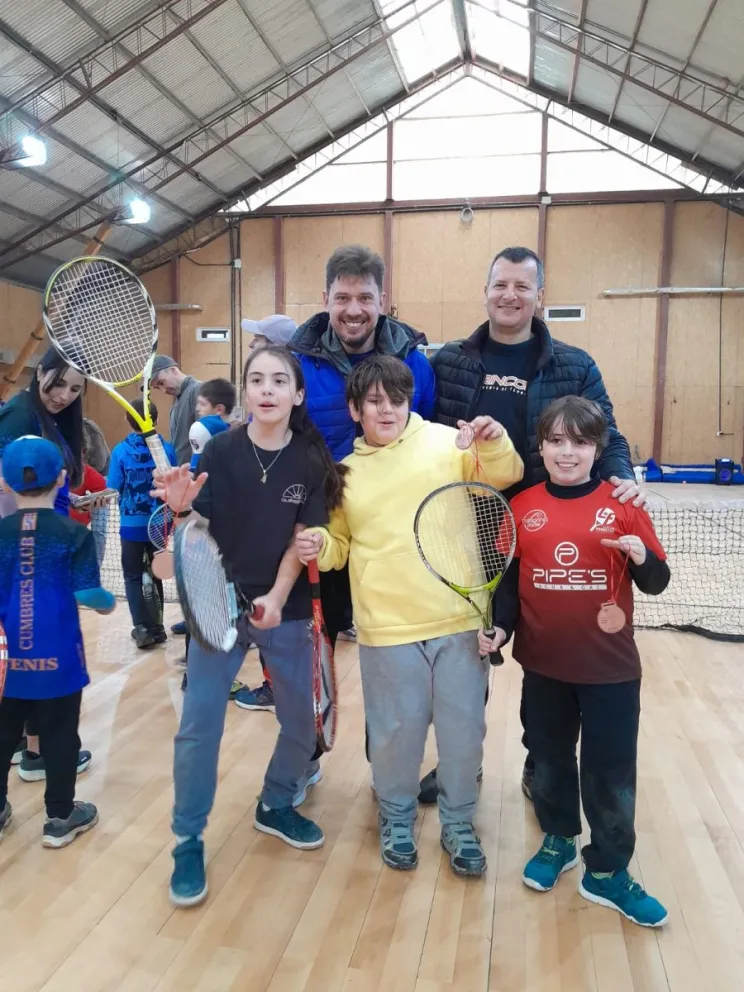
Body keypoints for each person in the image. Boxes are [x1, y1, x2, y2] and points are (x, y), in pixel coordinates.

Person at [426, 245, 646, 804]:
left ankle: (540, 760)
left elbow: (608, 434)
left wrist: (622, 479)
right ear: (486, 291)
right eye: (501, 285)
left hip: (543, 527)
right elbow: (422, 438)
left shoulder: (574, 366)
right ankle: (461, 762)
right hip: (465, 527)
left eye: (523, 287)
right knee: (467, 648)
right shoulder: (448, 361)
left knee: (544, 651)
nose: (510, 295)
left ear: (539, 296)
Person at [295, 356, 523, 876]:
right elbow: (340, 547)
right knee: (395, 734)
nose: (387, 409)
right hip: (387, 628)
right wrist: (318, 544)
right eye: (374, 400)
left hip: (460, 621)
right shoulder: (344, 476)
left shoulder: (449, 442)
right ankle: (396, 818)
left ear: (408, 402)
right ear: (354, 409)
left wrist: (492, 439)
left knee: (464, 735)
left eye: (396, 399)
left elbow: (505, 473)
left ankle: (459, 824)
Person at [152, 345, 346, 908]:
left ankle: (276, 802)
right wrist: (183, 510)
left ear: (297, 394)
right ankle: (187, 839)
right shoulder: (222, 449)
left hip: (280, 608)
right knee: (198, 726)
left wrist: (275, 597)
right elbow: (195, 531)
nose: (266, 389)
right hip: (217, 607)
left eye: (278, 380)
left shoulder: (311, 459)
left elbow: (300, 542)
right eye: (256, 379)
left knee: (300, 724)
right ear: (246, 391)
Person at [479, 396, 669, 927]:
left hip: (610, 670)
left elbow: (656, 582)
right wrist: (500, 628)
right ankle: (558, 839)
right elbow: (511, 581)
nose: (568, 452)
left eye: (581, 442)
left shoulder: (623, 502)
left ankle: (607, 871)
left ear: (597, 447)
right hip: (542, 666)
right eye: (556, 441)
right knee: (550, 759)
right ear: (540, 446)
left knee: (610, 771)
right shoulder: (522, 506)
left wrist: (640, 555)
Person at [291, 244, 436, 651]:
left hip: (391, 536)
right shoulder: (295, 366)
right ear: (325, 301)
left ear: (382, 302)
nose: (353, 310)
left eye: (365, 298)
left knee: (393, 645)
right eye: (342, 298)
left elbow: (424, 437)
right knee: (317, 642)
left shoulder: (416, 366)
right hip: (323, 528)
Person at [0, 436, 115, 848]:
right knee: (61, 736)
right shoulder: (72, 532)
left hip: (4, 664)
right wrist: (109, 603)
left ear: (7, 483)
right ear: (63, 479)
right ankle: (60, 816)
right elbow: (88, 594)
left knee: (2, 734)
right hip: (59, 661)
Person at [0, 348, 93, 781]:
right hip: (22, 557)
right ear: (42, 372)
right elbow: (9, 489)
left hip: (37, 552)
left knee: (36, 648)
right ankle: (35, 750)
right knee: (25, 650)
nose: (64, 395)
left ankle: (35, 748)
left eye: (75, 389)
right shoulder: (18, 416)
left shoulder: (48, 418)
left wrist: (66, 501)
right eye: (59, 383)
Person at [107, 399, 177, 650]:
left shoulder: (120, 451)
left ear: (128, 420)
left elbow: (113, 486)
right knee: (155, 572)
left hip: (132, 525)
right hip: (160, 523)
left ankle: (143, 628)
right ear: (156, 420)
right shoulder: (165, 449)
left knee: (134, 576)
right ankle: (158, 629)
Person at [148, 355, 201, 466]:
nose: (163, 390)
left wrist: (195, 470)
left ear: (173, 370)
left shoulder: (197, 390)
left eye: (162, 383)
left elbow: (206, 437)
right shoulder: (178, 401)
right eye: (158, 388)